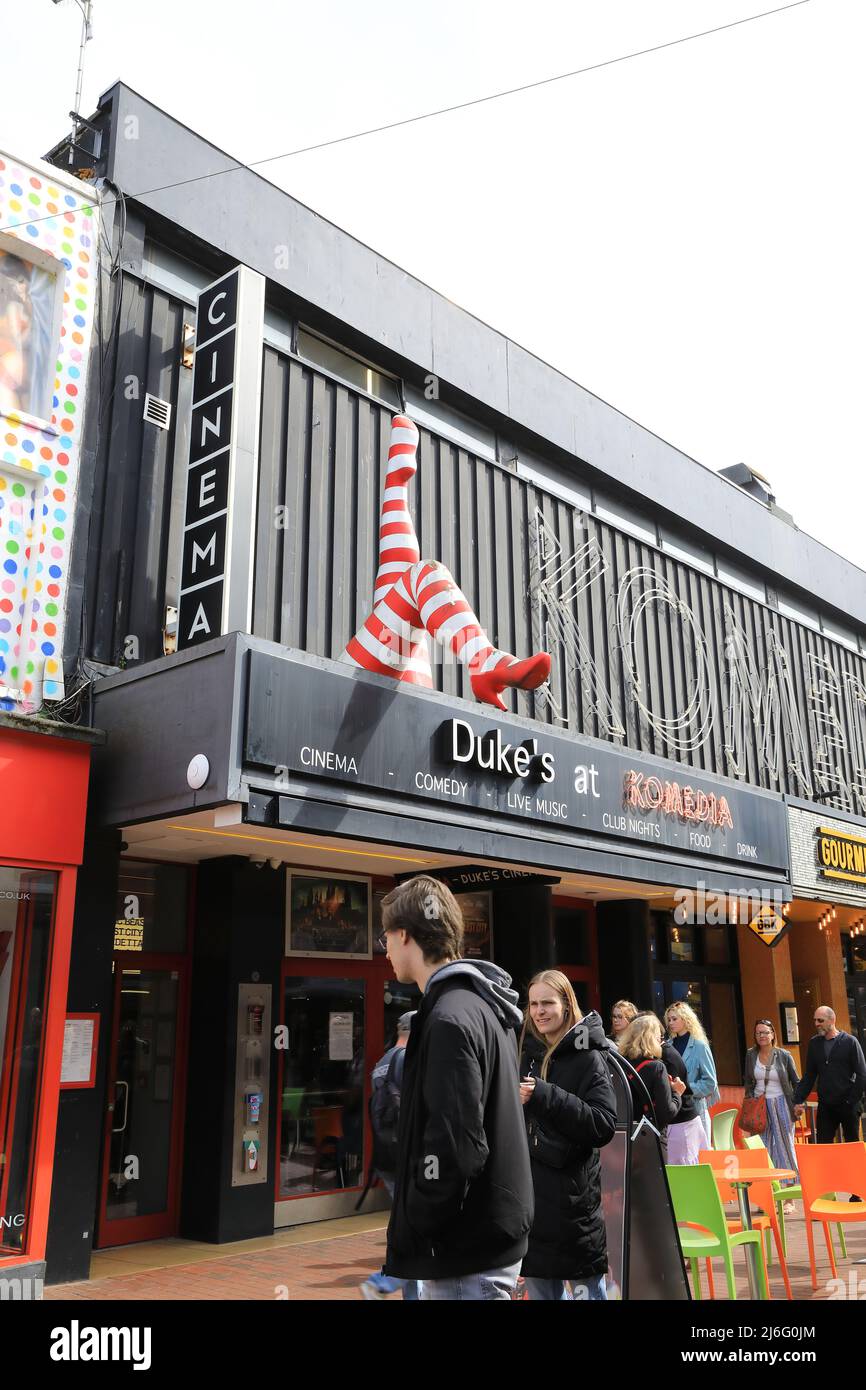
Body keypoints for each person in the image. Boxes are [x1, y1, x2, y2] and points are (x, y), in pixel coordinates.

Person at [379, 875, 533, 1299]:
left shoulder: (449, 1018)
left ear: (405, 935)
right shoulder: (480, 1005)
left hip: (466, 1250)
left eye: (386, 937)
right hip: (486, 1240)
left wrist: (421, 1216)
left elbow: (455, 1146)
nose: (386, 949)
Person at [518, 972, 617, 1301]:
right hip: (532, 1207)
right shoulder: (528, 1054)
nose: (539, 1011)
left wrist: (544, 1095)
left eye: (547, 1002)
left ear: (566, 1004)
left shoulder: (589, 1056)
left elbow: (602, 1124)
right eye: (533, 1003)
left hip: (574, 1211)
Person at [360, 1012, 418, 1300]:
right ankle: (384, 1281)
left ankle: (407, 1290)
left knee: (409, 1227)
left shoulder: (381, 1064)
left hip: (387, 1158)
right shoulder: (411, 1059)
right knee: (419, 1229)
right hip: (412, 1157)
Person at [744, 1019, 800, 1212]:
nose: (762, 1036)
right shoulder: (751, 1055)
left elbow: (795, 1081)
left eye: (766, 1032)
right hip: (760, 1107)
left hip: (782, 1103)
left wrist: (798, 1104)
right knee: (762, 1150)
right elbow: (749, 1083)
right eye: (758, 1032)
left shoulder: (784, 1055)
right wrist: (749, 1103)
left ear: (773, 1034)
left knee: (785, 1147)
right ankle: (766, 1196)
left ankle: (789, 1198)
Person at [794, 1005, 866, 1154]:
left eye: (820, 1020)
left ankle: (855, 1176)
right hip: (826, 1105)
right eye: (815, 1020)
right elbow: (809, 1075)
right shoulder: (814, 1044)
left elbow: (862, 1074)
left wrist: (852, 1100)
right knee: (823, 1147)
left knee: (852, 1146)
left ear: (832, 1020)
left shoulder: (850, 1042)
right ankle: (827, 1176)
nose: (816, 1024)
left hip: (848, 1104)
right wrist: (798, 1099)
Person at [636, 1012, 704, 1164]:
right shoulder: (650, 1056)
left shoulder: (667, 1055)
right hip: (669, 1123)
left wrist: (675, 1092)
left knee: (683, 1176)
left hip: (681, 1123)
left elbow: (670, 1098)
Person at [618, 1013, 686, 1149]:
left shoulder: (618, 1063)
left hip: (622, 1136)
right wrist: (677, 1093)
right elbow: (666, 1113)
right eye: (658, 1035)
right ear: (652, 1038)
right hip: (649, 1138)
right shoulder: (656, 1067)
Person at [664, 1002, 719, 1145]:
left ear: (686, 1019)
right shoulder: (667, 1046)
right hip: (674, 1110)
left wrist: (685, 1089)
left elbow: (710, 1083)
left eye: (674, 1019)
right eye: (669, 1019)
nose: (671, 1023)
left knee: (699, 1158)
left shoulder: (700, 1046)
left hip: (695, 1109)